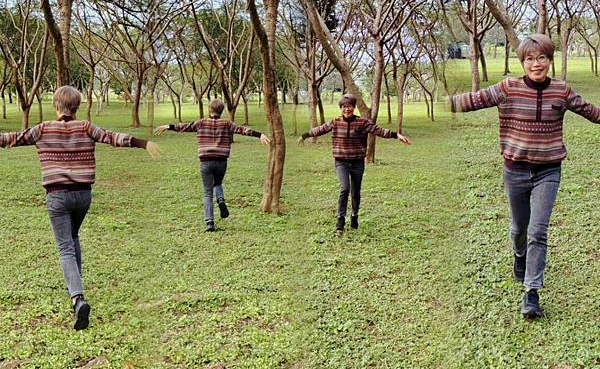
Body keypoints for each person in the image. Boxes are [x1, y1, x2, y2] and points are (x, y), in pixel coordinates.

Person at [449, 34, 600, 319]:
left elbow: (591, 112)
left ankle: (531, 293)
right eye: (530, 59)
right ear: (523, 62)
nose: (536, 64)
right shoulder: (508, 88)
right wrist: (444, 103)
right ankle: (519, 257)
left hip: (548, 171)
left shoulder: (561, 91)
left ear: (549, 60)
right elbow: (473, 100)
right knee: (519, 228)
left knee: (538, 230)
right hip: (515, 171)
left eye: (541, 58)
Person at [0, 85, 160, 330]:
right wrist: (142, 143)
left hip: (57, 197)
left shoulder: (43, 129)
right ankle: (76, 283)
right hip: (83, 196)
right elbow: (112, 137)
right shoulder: (86, 127)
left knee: (65, 247)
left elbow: (11, 139)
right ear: (78, 107)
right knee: (73, 237)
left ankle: (77, 298)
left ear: (56, 106)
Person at [298, 93, 411, 235]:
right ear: (341, 108)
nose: (347, 109)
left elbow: (378, 130)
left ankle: (354, 216)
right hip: (341, 162)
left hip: (357, 162)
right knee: (344, 188)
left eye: (350, 106)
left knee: (355, 191)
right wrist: (305, 135)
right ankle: (340, 221)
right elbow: (321, 129)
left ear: (354, 107)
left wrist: (397, 135)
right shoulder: (335, 122)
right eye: (344, 107)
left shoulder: (362, 122)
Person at [154, 99, 270, 232]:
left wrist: (168, 126)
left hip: (206, 161)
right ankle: (220, 199)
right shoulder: (227, 124)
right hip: (221, 161)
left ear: (210, 109)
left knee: (207, 193)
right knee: (217, 183)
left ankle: (210, 223)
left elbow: (184, 127)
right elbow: (243, 130)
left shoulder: (201, 123)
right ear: (222, 111)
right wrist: (259, 134)